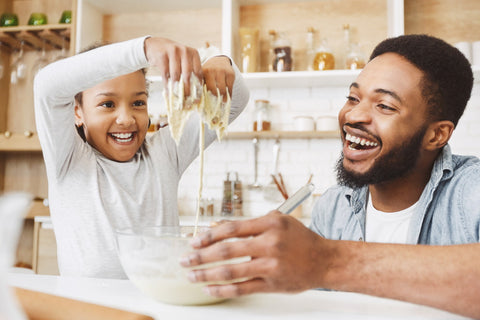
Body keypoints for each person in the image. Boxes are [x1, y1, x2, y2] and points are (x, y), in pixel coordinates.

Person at [180, 34, 480, 319]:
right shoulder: (334, 207)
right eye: (353, 97)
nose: (353, 116)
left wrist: (326, 259)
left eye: (385, 106)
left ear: (437, 134)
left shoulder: (471, 191)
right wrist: (255, 261)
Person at [34, 36, 249, 278]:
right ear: (77, 112)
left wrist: (221, 61)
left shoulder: (165, 152)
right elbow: (46, 85)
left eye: (138, 102)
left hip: (159, 308)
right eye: (107, 104)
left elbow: (235, 101)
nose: (126, 119)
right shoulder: (69, 160)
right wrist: (143, 48)